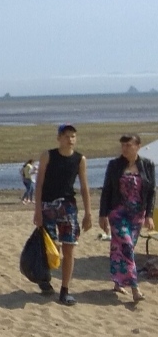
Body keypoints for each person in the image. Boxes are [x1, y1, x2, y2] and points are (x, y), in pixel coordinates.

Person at [33, 124, 92, 305]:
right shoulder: (48, 155)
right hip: (48, 206)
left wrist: (88, 213)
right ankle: (45, 279)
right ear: (59, 138)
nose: (70, 139)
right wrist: (37, 210)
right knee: (51, 248)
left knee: (69, 248)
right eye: (66, 136)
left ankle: (65, 289)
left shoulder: (79, 159)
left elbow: (84, 187)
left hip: (68, 207)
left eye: (73, 136)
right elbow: (39, 184)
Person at [99, 134, 156, 303]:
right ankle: (135, 287)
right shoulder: (114, 165)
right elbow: (107, 190)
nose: (124, 148)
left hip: (137, 214)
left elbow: (151, 192)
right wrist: (102, 214)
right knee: (127, 246)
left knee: (119, 248)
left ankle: (118, 282)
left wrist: (149, 215)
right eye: (123, 145)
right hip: (117, 212)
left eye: (128, 145)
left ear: (138, 146)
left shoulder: (147, 165)